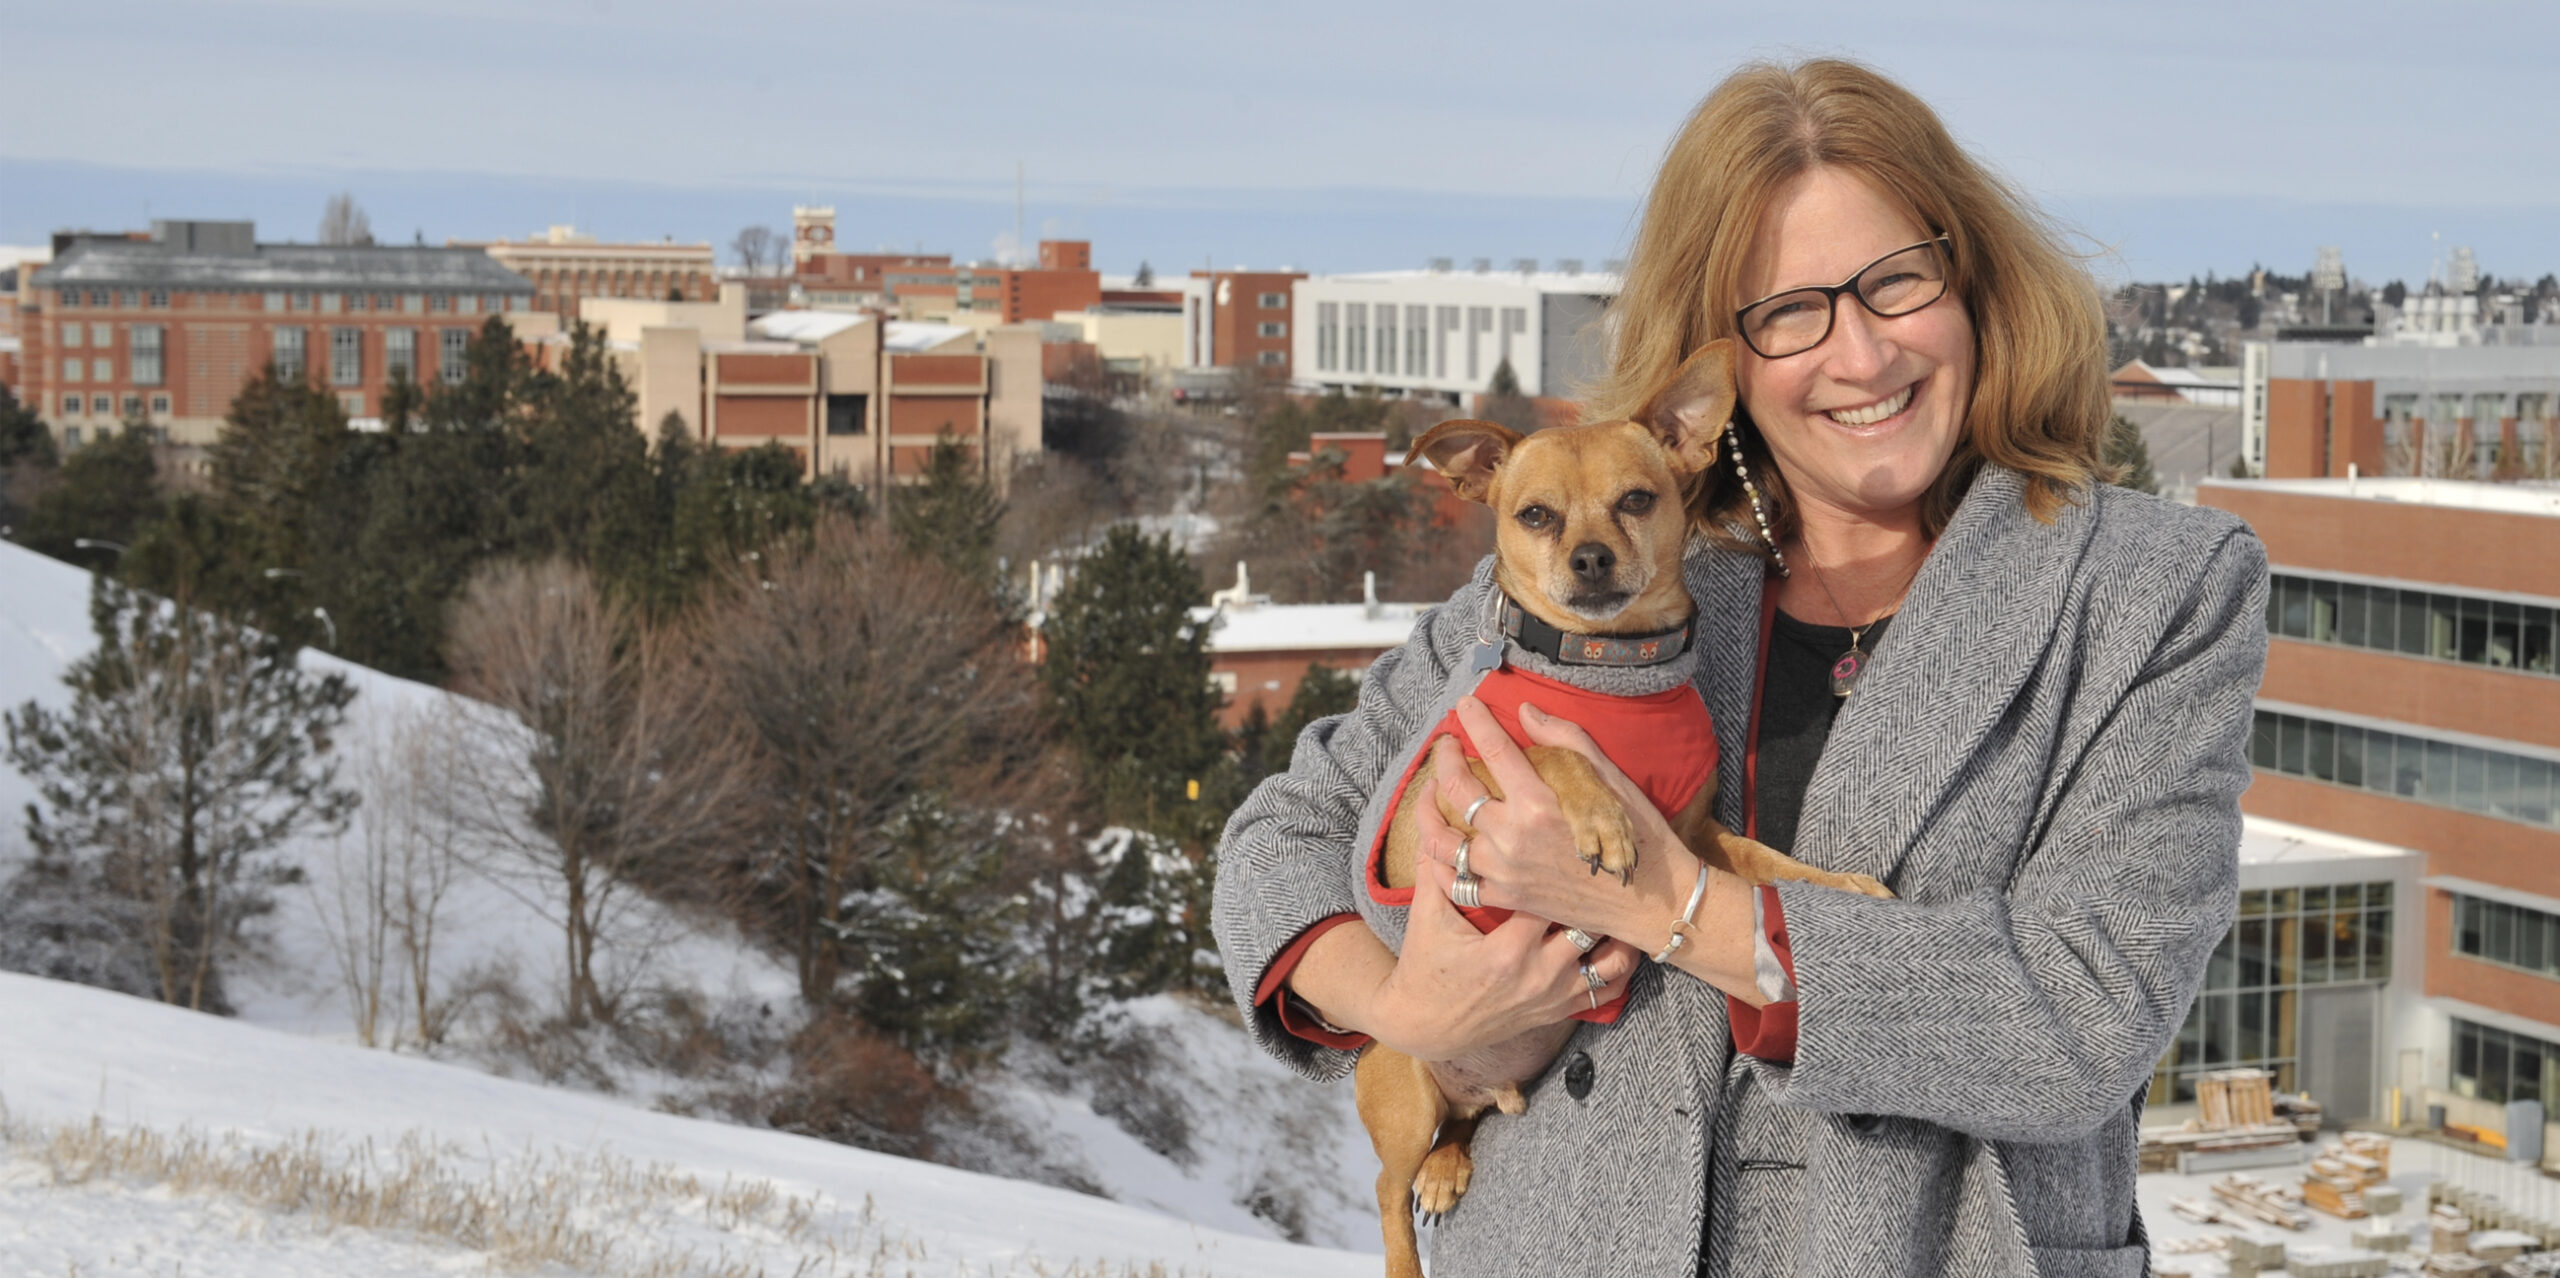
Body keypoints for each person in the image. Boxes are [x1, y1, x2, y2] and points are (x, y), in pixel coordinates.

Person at [1211, 58, 2269, 1278]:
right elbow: (1273, 846)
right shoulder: (1603, 565)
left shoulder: (2148, 589)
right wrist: (1418, 1016)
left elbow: (2082, 1016)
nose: (1860, 355)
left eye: (1895, 282)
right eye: (1789, 310)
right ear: (1722, 366)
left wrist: (1674, 906)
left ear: (1971, 278)